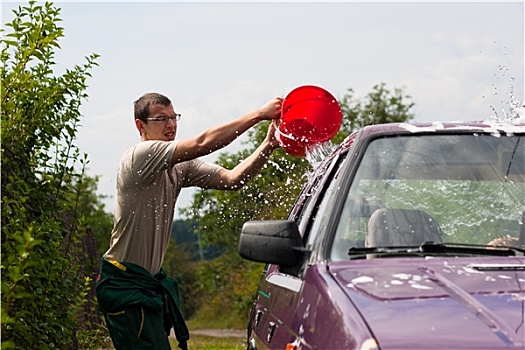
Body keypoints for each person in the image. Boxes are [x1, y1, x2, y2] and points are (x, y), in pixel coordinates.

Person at [96, 92, 283, 350]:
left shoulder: (179, 167)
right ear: (140, 125)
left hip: (148, 285)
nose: (171, 124)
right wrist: (259, 114)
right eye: (161, 119)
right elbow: (204, 142)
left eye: (174, 117)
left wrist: (268, 145)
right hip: (125, 286)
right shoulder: (139, 156)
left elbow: (232, 180)